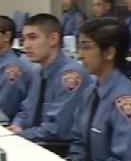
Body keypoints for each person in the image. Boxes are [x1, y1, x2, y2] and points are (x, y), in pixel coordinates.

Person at [68, 18, 131, 161]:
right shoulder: (90, 92)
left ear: (109, 52)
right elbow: (79, 141)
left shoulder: (126, 101)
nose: (80, 55)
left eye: (86, 47)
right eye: (79, 47)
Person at [9, 14, 92, 143]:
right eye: (24, 39)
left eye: (33, 38)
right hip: (33, 140)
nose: (26, 45)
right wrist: (17, 125)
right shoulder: (37, 71)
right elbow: (26, 109)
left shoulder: (71, 75)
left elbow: (58, 129)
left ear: (53, 39)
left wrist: (22, 135)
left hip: (58, 148)